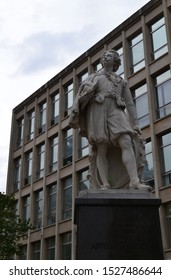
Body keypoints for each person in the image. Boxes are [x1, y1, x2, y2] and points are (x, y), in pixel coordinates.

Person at [69, 50, 150, 190]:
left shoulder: (121, 81)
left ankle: (134, 181)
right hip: (98, 109)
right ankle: (105, 183)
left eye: (109, 56)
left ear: (116, 62)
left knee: (126, 140)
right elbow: (80, 95)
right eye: (104, 56)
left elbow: (130, 103)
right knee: (101, 147)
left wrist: (136, 123)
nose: (105, 57)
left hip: (115, 109)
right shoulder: (93, 77)